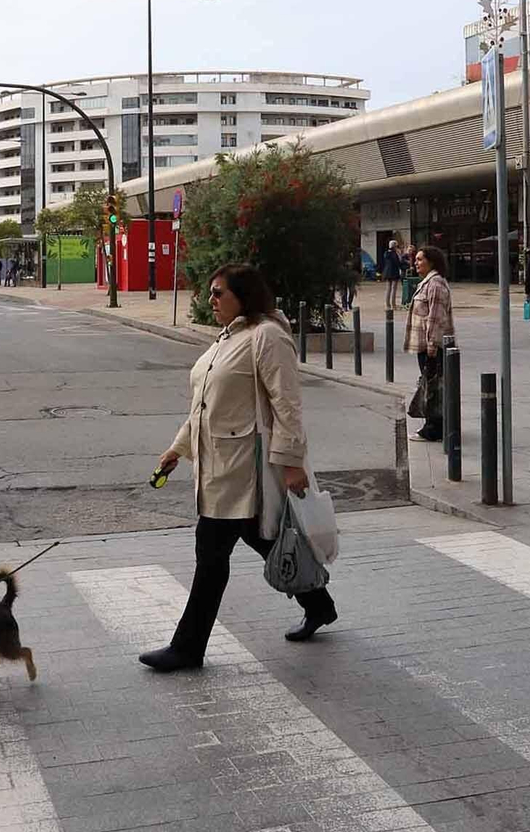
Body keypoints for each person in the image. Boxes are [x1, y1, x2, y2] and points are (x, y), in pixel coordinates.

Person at [146, 264, 338, 672]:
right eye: (209, 293)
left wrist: (290, 464)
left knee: (211, 557)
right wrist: (178, 449)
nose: (209, 300)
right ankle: (319, 604)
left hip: (243, 471)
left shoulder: (267, 336)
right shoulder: (227, 337)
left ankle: (187, 647)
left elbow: (287, 405)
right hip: (218, 470)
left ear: (243, 295)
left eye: (218, 293)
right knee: (266, 540)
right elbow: (204, 405)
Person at [403, 246, 454, 441]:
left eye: (419, 259)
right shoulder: (427, 283)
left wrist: (432, 343)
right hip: (426, 345)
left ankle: (434, 429)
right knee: (431, 384)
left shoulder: (435, 285)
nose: (415, 263)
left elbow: (435, 316)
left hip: (432, 346)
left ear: (431, 261)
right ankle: (434, 424)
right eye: (415, 259)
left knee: (433, 386)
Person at [381, 240, 404, 309]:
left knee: (388, 288)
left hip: (387, 272)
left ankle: (387, 304)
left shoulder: (386, 253)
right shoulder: (395, 253)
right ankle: (393, 305)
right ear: (394, 246)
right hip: (394, 272)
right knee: (394, 288)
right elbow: (398, 262)